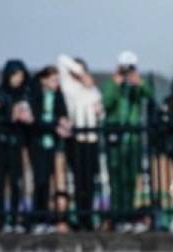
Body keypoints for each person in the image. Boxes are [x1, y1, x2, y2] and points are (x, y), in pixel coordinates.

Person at [102, 51, 154, 228]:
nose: (127, 71)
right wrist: (116, 85)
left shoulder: (136, 86)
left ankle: (129, 215)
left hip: (132, 140)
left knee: (130, 179)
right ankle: (117, 216)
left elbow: (149, 95)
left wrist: (138, 82)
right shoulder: (110, 84)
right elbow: (106, 103)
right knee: (115, 179)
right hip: (115, 139)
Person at [0, 59, 32, 232]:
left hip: (16, 143)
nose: (18, 79)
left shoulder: (25, 93)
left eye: (20, 75)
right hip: (1, 142)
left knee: (16, 181)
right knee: (0, 182)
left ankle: (14, 217)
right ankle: (1, 218)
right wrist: (9, 113)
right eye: (15, 75)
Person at [58, 55, 103, 231]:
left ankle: (89, 216)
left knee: (90, 181)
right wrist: (78, 70)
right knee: (78, 181)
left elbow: (100, 111)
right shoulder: (69, 87)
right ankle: (79, 215)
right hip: (76, 140)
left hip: (91, 139)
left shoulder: (92, 90)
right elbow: (61, 60)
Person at [28, 66, 70, 233]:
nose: (56, 83)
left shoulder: (58, 96)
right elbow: (35, 120)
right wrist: (55, 125)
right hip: (38, 144)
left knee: (54, 183)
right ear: (43, 80)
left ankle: (51, 218)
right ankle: (38, 218)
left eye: (57, 80)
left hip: (53, 144)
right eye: (53, 80)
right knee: (40, 180)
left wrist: (64, 122)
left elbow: (63, 115)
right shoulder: (35, 94)